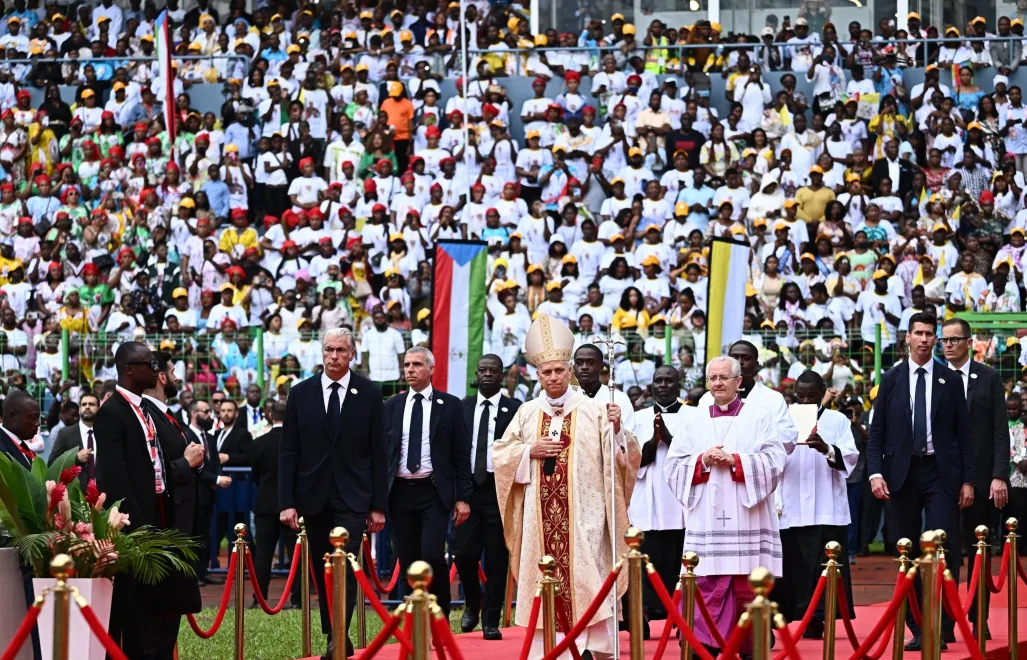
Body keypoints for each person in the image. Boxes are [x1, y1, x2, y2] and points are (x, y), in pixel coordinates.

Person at [493, 313, 640, 660]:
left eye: (559, 370)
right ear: (537, 375)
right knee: (546, 576)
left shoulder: (596, 410)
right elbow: (500, 454)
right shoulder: (527, 413)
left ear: (570, 370)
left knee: (588, 574)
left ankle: (593, 646)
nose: (553, 377)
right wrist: (529, 451)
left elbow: (625, 457)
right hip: (539, 520)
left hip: (586, 517)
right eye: (547, 372)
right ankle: (550, 648)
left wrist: (618, 429)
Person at [664, 355, 786, 657]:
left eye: (724, 378)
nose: (717, 383)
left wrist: (736, 460)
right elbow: (673, 466)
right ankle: (701, 643)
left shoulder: (759, 417)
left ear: (738, 381)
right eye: (713, 378)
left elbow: (776, 460)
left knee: (745, 581)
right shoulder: (693, 419)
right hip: (706, 513)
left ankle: (748, 644)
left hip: (747, 514)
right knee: (705, 577)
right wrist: (702, 460)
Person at [867, 312, 975, 650]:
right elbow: (877, 432)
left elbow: (965, 434)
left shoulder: (949, 379)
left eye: (930, 334)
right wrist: (875, 472)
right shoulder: (891, 379)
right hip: (902, 473)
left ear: (936, 339)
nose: (925, 339)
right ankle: (917, 624)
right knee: (907, 548)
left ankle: (943, 623)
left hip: (941, 472)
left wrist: (969, 480)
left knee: (943, 545)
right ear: (908, 338)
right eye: (919, 333)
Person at [279, 327, 388, 659]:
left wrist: (378, 506)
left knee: (346, 566)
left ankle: (338, 635)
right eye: (329, 349)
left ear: (352, 354)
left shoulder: (370, 393)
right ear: (322, 352)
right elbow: (288, 451)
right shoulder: (301, 393)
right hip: (313, 496)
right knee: (321, 567)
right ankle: (332, 632)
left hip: (353, 497)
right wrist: (287, 502)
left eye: (341, 350)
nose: (334, 356)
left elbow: (379, 452)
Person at [93, 341, 171, 659]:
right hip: (129, 527)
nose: (156, 370)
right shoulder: (111, 413)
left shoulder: (145, 409)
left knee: (145, 609)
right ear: (129, 369)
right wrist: (140, 526)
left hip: (154, 517)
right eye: (149, 364)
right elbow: (116, 479)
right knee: (122, 608)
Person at [385, 346, 471, 618]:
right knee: (407, 558)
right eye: (407, 365)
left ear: (431, 369)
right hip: (399, 492)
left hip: (434, 491)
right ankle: (414, 619)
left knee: (433, 554)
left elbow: (461, 454)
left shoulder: (451, 405)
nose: (410, 370)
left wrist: (463, 497)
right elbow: (382, 453)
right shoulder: (392, 406)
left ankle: (439, 615)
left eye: (417, 364)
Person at [776, 371, 859, 638]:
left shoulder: (837, 420)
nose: (806, 401)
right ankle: (798, 615)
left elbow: (850, 457)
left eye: (812, 396)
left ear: (823, 392)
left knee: (826, 566)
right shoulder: (783, 419)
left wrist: (826, 448)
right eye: (801, 396)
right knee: (795, 567)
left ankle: (821, 617)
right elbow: (771, 456)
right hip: (791, 506)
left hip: (827, 506)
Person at [940, 318, 1008, 639]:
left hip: (981, 479)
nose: (948, 345)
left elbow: (999, 431)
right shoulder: (935, 378)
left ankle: (980, 619)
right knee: (946, 553)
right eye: (944, 340)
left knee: (979, 550)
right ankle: (945, 624)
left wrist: (999, 475)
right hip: (943, 480)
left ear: (969, 343)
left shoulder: (989, 377)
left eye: (954, 339)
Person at [140, 350, 205, 654]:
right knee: (158, 623)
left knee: (170, 619)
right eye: (174, 371)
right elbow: (151, 470)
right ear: (162, 377)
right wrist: (186, 463)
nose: (178, 377)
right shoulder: (147, 415)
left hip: (180, 528)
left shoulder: (166, 414)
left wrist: (195, 462)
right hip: (164, 527)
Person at [453, 354, 521, 639]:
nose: (488, 374)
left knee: (496, 559)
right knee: (463, 554)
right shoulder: (462, 407)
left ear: (502, 375)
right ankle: (473, 602)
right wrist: (458, 492)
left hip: (499, 489)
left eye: (493, 370)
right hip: (468, 490)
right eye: (483, 369)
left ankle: (491, 619)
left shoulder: (515, 409)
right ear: (477, 374)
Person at [628, 366, 690, 626]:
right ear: (651, 385)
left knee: (678, 560)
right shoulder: (637, 418)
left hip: (680, 503)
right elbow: (628, 460)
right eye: (658, 381)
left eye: (669, 381)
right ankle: (643, 614)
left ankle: (682, 617)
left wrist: (669, 439)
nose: (663, 385)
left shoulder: (693, 416)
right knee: (646, 559)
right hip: (646, 501)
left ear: (678, 385)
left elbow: (696, 457)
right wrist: (652, 445)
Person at [698, 341, 798, 451]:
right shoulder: (708, 399)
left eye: (746, 358)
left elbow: (789, 441)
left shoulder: (773, 398)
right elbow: (698, 437)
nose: (739, 362)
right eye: (734, 358)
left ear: (756, 366)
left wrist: (757, 427)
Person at [248, 401, 301, 610]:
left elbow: (256, 475)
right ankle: (297, 599)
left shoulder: (259, 443)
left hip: (266, 504)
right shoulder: (299, 443)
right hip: (293, 505)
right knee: (296, 553)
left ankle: (259, 598)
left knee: (263, 554)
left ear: (270, 415)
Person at [185, 399, 229, 587]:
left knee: (204, 535)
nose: (210, 415)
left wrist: (216, 478)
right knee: (193, 535)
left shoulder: (209, 438)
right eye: (205, 412)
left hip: (209, 494)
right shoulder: (185, 436)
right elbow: (195, 468)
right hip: (193, 494)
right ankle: (192, 574)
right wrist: (216, 480)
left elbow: (215, 463)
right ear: (194, 414)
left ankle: (203, 572)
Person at [573, 343, 636, 432]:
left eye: (590, 363)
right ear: (574, 367)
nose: (584, 367)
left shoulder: (619, 398)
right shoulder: (567, 398)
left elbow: (628, 435)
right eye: (579, 363)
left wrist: (617, 426)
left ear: (601, 367)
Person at [47, 393, 100, 488]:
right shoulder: (65, 434)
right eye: (84, 404)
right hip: (75, 493)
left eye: (91, 404)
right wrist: (75, 458)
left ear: (99, 409)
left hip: (102, 493)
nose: (87, 407)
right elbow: (52, 463)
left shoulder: (106, 433)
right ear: (79, 410)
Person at [0, 390, 40, 469]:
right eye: (33, 418)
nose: (37, 423)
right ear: (13, 416)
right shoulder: (2, 451)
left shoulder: (22, 446)